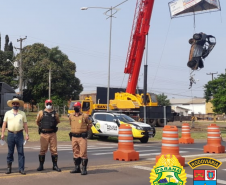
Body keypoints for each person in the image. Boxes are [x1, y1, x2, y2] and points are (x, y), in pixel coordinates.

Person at [1, 98, 29, 175]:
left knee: (20, 152)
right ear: (12, 105)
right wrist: (2, 133)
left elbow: (25, 124)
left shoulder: (22, 113)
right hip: (10, 134)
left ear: (19, 105)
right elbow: (4, 124)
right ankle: (9, 168)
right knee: (10, 152)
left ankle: (21, 169)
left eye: (17, 104)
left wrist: (27, 134)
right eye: (14, 104)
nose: (15, 105)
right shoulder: (7, 113)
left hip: (19, 134)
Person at [36, 99, 61, 172]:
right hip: (44, 134)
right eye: (47, 103)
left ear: (52, 104)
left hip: (52, 134)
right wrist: (42, 127)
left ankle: (55, 166)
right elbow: (37, 121)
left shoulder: (55, 113)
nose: (49, 105)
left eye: (50, 103)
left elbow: (57, 121)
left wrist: (52, 126)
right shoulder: (41, 112)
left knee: (54, 150)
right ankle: (41, 166)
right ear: (45, 104)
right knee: (42, 150)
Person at [69, 102, 92, 175]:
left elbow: (90, 124)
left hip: (82, 137)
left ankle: (84, 169)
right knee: (75, 152)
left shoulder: (84, 116)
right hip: (74, 137)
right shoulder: (71, 116)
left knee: (83, 153)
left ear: (80, 107)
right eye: (75, 106)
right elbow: (70, 123)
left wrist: (85, 131)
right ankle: (77, 168)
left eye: (77, 106)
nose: (76, 108)